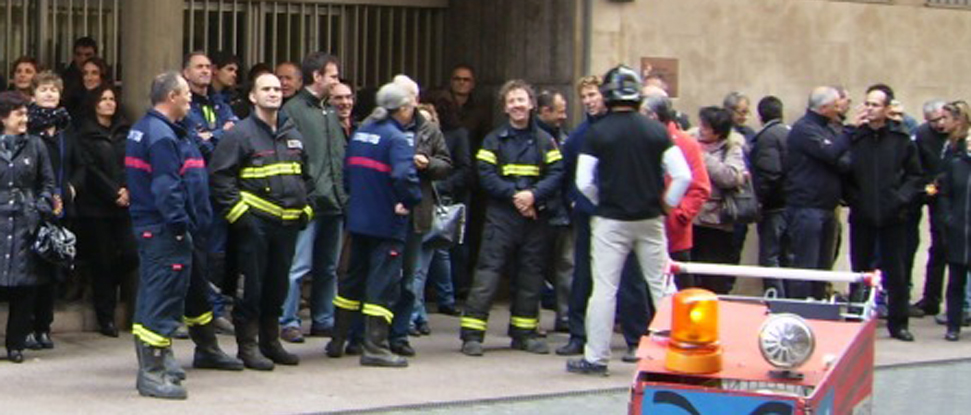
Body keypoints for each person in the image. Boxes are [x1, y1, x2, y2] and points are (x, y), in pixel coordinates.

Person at [566, 65, 691, 375]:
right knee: (662, 285)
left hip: (610, 219)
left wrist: (600, 202)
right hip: (650, 219)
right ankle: (681, 352)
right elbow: (682, 176)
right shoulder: (656, 131)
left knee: (605, 289)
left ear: (608, 95)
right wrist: (666, 205)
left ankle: (596, 357)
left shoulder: (597, 132)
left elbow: (583, 182)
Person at [127, 71, 242, 400]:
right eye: (186, 94)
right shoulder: (161, 136)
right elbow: (167, 188)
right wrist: (179, 226)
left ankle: (164, 363)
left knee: (171, 295)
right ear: (171, 97)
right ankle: (152, 373)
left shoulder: (156, 129)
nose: (191, 98)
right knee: (161, 300)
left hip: (168, 228)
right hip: (167, 230)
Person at [209, 72, 312, 369]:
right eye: (266, 89)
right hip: (254, 226)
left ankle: (271, 342)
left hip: (288, 226)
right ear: (252, 96)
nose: (273, 93)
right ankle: (248, 347)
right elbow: (220, 178)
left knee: (277, 287)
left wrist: (305, 209)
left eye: (278, 89)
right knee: (250, 289)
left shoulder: (293, 134)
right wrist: (242, 217)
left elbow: (305, 177)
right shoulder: (239, 134)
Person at [459, 79, 564, 357]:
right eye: (512, 101)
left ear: (531, 105)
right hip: (501, 218)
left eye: (521, 100)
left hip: (533, 219)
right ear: (505, 108)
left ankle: (524, 333)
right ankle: (472, 335)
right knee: (488, 274)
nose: (517, 105)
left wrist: (534, 196)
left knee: (531, 276)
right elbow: (485, 175)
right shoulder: (493, 140)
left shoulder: (545, 140)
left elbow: (557, 174)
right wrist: (517, 197)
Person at [328, 82, 422, 367]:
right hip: (386, 223)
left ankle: (338, 340)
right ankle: (376, 347)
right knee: (382, 286)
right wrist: (410, 201)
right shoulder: (396, 139)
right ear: (402, 108)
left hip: (358, 220)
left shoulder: (362, 133)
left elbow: (347, 175)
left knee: (351, 281)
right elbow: (405, 178)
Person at [844, 84, 924, 342]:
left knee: (897, 271)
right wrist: (854, 198)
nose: (869, 109)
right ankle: (857, 318)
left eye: (875, 104)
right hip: (863, 215)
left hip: (893, 217)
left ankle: (898, 323)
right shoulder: (857, 138)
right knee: (860, 268)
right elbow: (844, 171)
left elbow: (915, 176)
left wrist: (900, 199)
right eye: (867, 103)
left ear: (888, 109)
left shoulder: (901, 139)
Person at [279, 52, 347, 345]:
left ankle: (323, 318)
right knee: (298, 265)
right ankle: (288, 319)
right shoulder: (293, 110)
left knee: (328, 266)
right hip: (308, 200)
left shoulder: (330, 110)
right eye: (332, 76)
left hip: (334, 200)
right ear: (317, 77)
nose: (337, 82)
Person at [387, 74, 451, 356]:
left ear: (415, 100)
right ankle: (370, 332)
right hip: (385, 211)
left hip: (416, 213)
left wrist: (428, 164)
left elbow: (447, 164)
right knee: (380, 276)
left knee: (409, 279)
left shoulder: (429, 130)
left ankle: (399, 334)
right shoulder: (377, 126)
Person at [73, 84, 139, 338]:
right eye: (103, 99)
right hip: (97, 207)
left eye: (112, 99)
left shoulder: (126, 130)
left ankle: (116, 293)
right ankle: (106, 317)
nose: (109, 103)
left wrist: (127, 190)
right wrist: (113, 193)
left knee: (130, 254)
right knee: (103, 261)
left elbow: (133, 163)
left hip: (124, 204)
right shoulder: (85, 133)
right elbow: (89, 170)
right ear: (95, 103)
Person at [182, 51, 239, 334]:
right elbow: (198, 143)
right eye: (199, 67)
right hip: (195, 191)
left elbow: (237, 136)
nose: (205, 71)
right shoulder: (184, 106)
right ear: (186, 73)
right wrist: (221, 134)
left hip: (220, 190)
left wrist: (213, 135)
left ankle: (213, 310)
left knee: (217, 255)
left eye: (207, 67)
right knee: (192, 252)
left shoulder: (220, 103)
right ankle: (189, 311)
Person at [0, 91, 56, 364]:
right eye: (18, 114)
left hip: (25, 221)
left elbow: (47, 182)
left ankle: (15, 344)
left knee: (24, 288)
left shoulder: (36, 145)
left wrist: (41, 205)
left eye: (25, 113)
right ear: (3, 118)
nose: (24, 119)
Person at [25, 71, 78, 349]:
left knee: (51, 269)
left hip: (61, 207)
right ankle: (27, 327)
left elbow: (80, 164)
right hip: (34, 206)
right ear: (33, 95)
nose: (49, 94)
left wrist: (71, 189)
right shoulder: (26, 126)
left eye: (54, 90)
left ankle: (44, 327)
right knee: (30, 270)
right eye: (43, 89)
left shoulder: (67, 128)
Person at [556, 75, 606, 356]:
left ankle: (636, 335)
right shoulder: (579, 135)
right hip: (587, 212)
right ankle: (578, 333)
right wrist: (572, 201)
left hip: (616, 212)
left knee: (626, 277)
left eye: (593, 95)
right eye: (584, 97)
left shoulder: (613, 129)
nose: (588, 101)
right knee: (582, 275)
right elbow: (566, 172)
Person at [785, 86, 850, 299]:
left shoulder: (830, 129)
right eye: (835, 105)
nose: (840, 109)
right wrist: (851, 132)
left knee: (823, 267)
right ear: (823, 108)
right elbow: (831, 153)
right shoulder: (804, 129)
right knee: (806, 266)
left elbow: (845, 160)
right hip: (807, 208)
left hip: (828, 207)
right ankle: (802, 309)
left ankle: (820, 306)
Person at [690, 106, 748, 294]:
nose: (701, 130)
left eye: (706, 127)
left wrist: (703, 157)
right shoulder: (689, 139)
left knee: (713, 277)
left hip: (715, 222)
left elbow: (731, 177)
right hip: (689, 217)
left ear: (718, 132)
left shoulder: (732, 147)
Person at [535, 89, 572, 332]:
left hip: (563, 212)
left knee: (566, 265)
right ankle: (528, 320)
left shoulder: (566, 137)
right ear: (545, 111)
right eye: (560, 111)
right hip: (537, 212)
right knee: (533, 266)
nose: (564, 116)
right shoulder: (532, 138)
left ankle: (565, 317)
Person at [911, 99, 950, 317]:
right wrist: (929, 187)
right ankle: (931, 299)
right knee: (938, 249)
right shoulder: (922, 135)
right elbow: (917, 167)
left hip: (956, 197)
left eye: (944, 118)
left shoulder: (957, 134)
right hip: (935, 196)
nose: (941, 124)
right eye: (935, 121)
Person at [751, 96, 791, 295]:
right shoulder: (790, 133)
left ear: (760, 116)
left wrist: (759, 201)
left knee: (770, 257)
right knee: (787, 256)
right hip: (791, 204)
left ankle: (776, 300)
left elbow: (770, 173)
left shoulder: (767, 138)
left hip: (774, 207)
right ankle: (790, 300)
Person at [939, 109, 971, 341]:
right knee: (955, 281)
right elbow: (945, 194)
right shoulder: (957, 164)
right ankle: (953, 325)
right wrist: (948, 218)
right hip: (959, 230)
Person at [60, 36, 98, 104]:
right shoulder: (65, 78)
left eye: (88, 55)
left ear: (95, 56)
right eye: (78, 54)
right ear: (74, 56)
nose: (83, 59)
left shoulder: (103, 75)